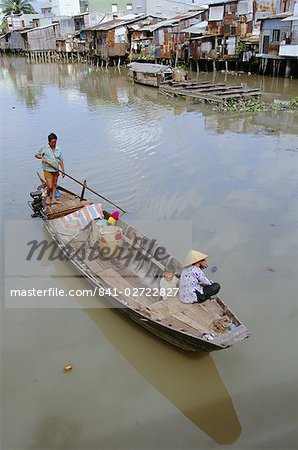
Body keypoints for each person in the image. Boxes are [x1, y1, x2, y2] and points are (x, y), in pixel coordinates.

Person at [35, 133, 65, 205]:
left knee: (54, 184)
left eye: (55, 142)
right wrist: (42, 158)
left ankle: (53, 199)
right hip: (47, 170)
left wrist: (63, 170)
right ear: (49, 142)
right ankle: (48, 196)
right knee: (50, 186)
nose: (54, 144)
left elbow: (61, 160)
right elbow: (36, 155)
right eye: (52, 142)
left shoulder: (58, 148)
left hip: (56, 170)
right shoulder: (44, 148)